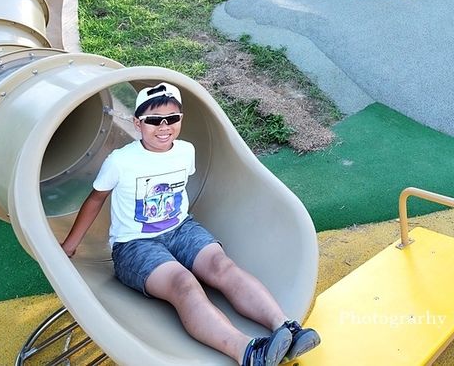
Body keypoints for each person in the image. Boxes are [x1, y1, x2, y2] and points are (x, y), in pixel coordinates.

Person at [62, 82, 320, 366]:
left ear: (181, 119)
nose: (164, 126)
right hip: (135, 245)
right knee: (184, 283)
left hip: (182, 229)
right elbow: (96, 200)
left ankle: (285, 327)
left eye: (172, 118)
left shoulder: (185, 151)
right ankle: (247, 351)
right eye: (153, 120)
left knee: (222, 267)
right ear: (138, 123)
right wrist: (70, 246)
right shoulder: (121, 162)